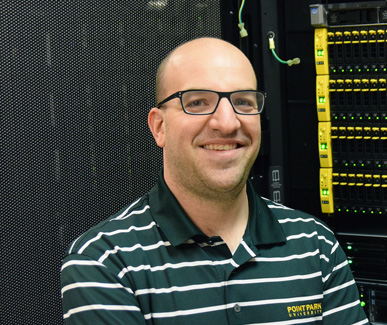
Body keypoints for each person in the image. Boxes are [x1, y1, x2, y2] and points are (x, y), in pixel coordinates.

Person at [61, 37, 369, 324]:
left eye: (244, 102)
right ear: (159, 127)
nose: (227, 122)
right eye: (197, 102)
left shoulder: (315, 246)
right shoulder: (104, 263)